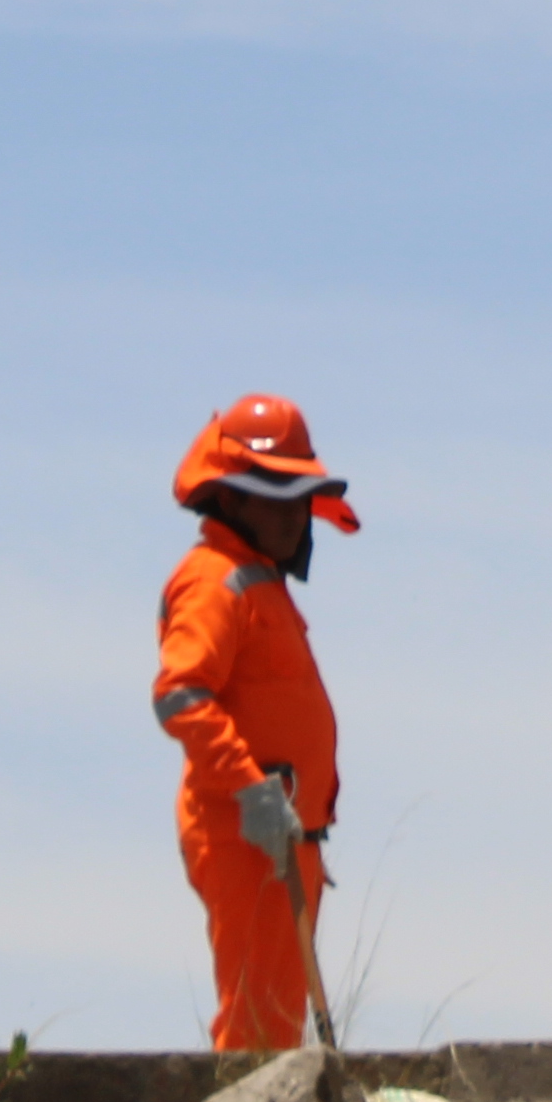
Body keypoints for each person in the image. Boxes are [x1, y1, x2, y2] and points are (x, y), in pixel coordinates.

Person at [151, 394, 354, 1053]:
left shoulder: (259, 583)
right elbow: (181, 695)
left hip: (284, 835)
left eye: (300, 497)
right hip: (245, 833)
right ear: (231, 500)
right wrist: (252, 791)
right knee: (257, 1025)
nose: (295, 514)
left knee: (274, 1020)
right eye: (276, 496)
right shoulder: (215, 581)